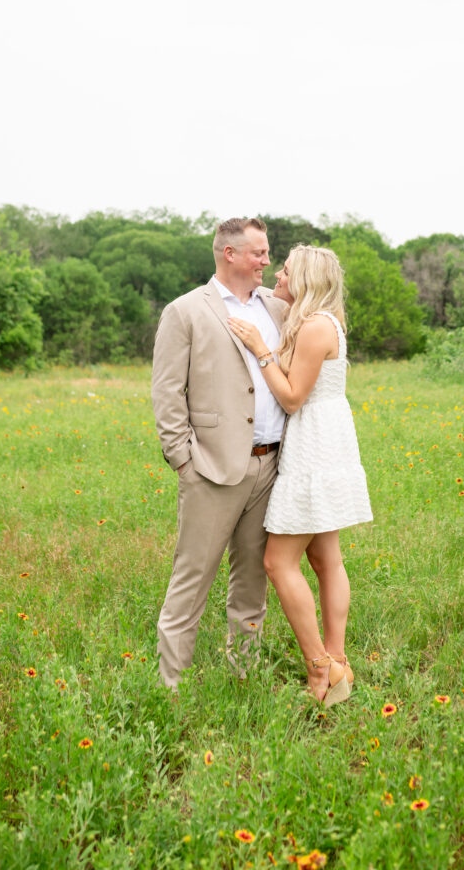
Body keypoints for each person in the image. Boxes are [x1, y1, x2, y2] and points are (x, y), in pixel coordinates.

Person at [228, 245, 372, 707]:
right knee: (325, 557)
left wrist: (260, 349)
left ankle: (320, 665)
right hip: (320, 438)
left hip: (315, 444)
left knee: (278, 562)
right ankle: (338, 661)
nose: (277, 274)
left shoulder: (314, 327)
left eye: (286, 270)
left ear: (305, 279)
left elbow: (292, 399)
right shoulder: (314, 321)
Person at [151, 217, 288, 689]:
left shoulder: (276, 306)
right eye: (259, 253)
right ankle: (173, 688)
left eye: (268, 253)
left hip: (271, 466)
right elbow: (168, 392)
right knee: (191, 581)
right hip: (210, 468)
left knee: (253, 581)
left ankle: (243, 676)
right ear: (229, 254)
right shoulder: (185, 311)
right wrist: (183, 460)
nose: (267, 261)